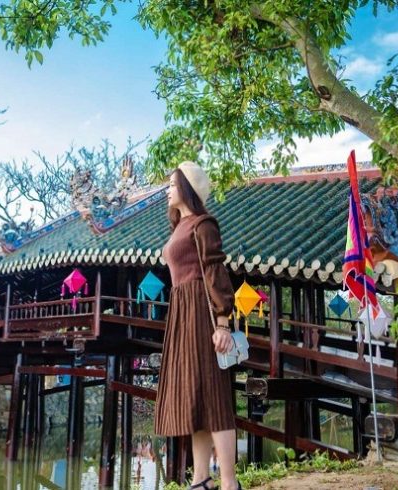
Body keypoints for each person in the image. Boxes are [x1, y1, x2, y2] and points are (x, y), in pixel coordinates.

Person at [154, 161, 240, 490]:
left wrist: (222, 322)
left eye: (173, 185)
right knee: (195, 397)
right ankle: (201, 479)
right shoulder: (179, 226)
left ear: (187, 188)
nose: (168, 190)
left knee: (214, 398)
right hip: (181, 312)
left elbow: (215, 272)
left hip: (202, 315)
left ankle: (230, 483)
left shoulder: (203, 224)